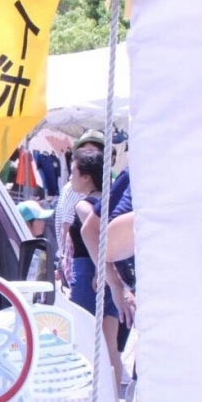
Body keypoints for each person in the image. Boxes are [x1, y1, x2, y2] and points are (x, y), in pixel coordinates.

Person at [67, 144, 126, 388]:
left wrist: (99, 269)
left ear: (86, 177)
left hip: (90, 274)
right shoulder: (112, 202)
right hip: (113, 273)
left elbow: (96, 235)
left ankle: (90, 395)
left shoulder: (84, 205)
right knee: (110, 345)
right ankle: (113, 399)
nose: (70, 177)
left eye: (73, 172)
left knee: (84, 339)